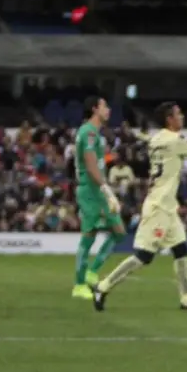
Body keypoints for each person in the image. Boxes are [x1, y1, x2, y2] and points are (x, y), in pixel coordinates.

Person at [92, 102, 187, 312]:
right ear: (169, 118)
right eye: (178, 114)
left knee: (181, 250)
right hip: (159, 207)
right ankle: (103, 287)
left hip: (166, 206)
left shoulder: (157, 139)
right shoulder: (174, 141)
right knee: (144, 257)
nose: (182, 116)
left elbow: (182, 143)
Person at [71, 96, 126, 299]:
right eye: (105, 106)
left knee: (119, 231)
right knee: (89, 235)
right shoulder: (89, 133)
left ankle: (92, 272)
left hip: (97, 190)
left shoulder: (93, 133)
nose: (109, 110)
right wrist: (106, 189)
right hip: (91, 190)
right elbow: (91, 164)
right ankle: (78, 284)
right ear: (95, 109)